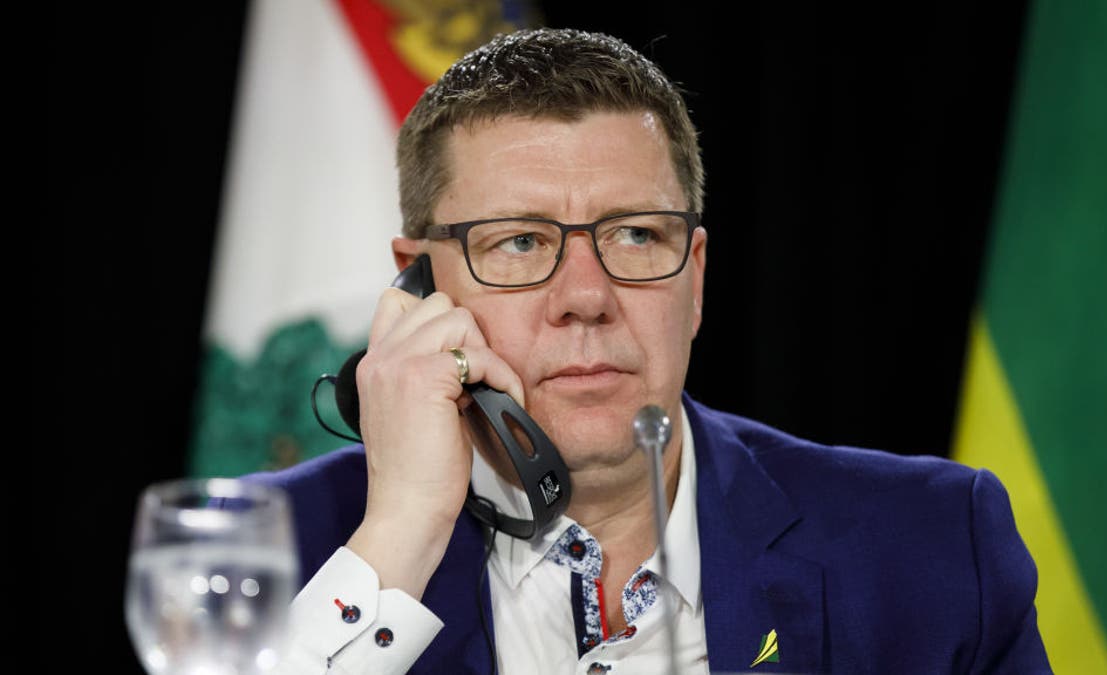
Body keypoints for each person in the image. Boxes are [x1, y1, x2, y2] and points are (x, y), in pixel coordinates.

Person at [248, 28, 1050, 674]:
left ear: (694, 280)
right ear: (416, 291)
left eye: (635, 234)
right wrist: (403, 530)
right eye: (521, 243)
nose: (587, 296)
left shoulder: (933, 546)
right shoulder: (266, 547)